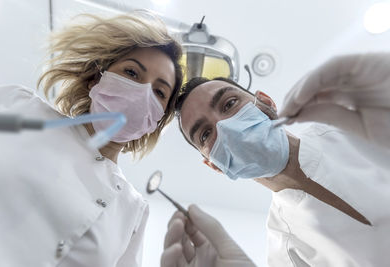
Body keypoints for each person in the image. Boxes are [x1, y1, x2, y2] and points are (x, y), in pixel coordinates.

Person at [0, 11, 183, 266]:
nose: (142, 93)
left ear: (156, 121)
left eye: (159, 91)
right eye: (132, 73)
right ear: (96, 79)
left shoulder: (133, 210)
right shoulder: (20, 106)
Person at [161, 53, 390, 266]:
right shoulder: (284, 245)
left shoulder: (351, 129)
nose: (225, 127)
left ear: (266, 102)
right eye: (205, 134)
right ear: (215, 166)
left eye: (230, 104)